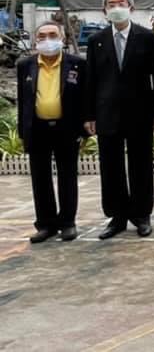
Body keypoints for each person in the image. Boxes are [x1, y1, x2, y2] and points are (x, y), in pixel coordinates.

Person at [84, 0, 154, 240]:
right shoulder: (96, 40)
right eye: (111, 4)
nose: (116, 8)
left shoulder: (148, 38)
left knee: (141, 165)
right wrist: (90, 114)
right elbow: (91, 79)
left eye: (121, 3)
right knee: (110, 166)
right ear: (104, 10)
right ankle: (117, 216)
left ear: (131, 7)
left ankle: (142, 215)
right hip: (107, 113)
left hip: (140, 112)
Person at [17, 22, 85, 243]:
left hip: (67, 128)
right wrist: (23, 131)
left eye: (53, 35)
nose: (47, 40)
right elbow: (23, 100)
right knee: (40, 178)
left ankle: (67, 223)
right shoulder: (25, 65)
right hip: (37, 128)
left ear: (62, 38)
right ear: (35, 40)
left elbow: (85, 98)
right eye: (42, 36)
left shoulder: (77, 64)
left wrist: (84, 129)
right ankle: (45, 224)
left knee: (67, 176)